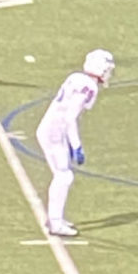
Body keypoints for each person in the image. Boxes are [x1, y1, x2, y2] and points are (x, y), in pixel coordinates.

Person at [35, 49, 114, 237]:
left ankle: (56, 218)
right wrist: (76, 145)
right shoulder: (89, 87)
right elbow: (70, 117)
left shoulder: (77, 78)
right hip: (54, 132)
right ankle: (55, 223)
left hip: (53, 129)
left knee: (62, 175)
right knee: (63, 176)